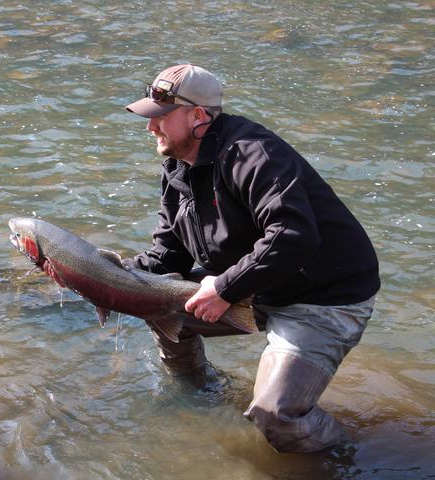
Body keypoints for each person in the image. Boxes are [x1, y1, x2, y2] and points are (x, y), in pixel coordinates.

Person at [121, 64, 380, 453]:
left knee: (277, 414)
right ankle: (196, 395)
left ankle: (354, 460)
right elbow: (166, 254)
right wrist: (107, 274)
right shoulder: (177, 168)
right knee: (160, 304)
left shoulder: (253, 153)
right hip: (255, 283)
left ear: (198, 116)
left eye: (160, 117)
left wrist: (224, 288)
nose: (150, 127)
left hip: (323, 295)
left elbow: (292, 234)